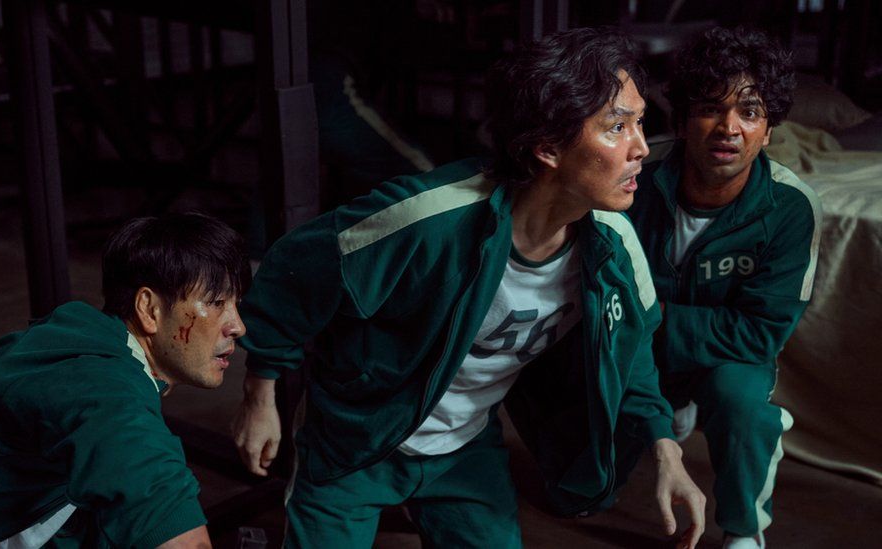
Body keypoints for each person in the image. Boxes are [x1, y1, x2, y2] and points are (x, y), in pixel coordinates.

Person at [233, 28, 706, 549]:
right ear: (548, 148)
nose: (642, 147)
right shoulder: (429, 218)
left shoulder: (614, 244)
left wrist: (666, 447)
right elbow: (294, 270)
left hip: (466, 449)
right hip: (358, 436)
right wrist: (261, 392)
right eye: (617, 126)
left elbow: (631, 354)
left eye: (640, 122)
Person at [0, 213, 248, 548]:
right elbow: (135, 458)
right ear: (149, 309)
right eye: (216, 302)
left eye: (236, 304)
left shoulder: (92, 341)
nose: (237, 326)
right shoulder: (95, 380)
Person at [627, 27, 822, 549]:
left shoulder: (790, 207)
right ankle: (668, 407)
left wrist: (654, 317)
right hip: (637, 351)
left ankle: (743, 531)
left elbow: (760, 334)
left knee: (742, 404)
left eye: (749, 111)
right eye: (711, 109)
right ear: (683, 120)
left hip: (726, 357)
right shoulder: (635, 178)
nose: (729, 127)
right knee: (577, 490)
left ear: (769, 129)